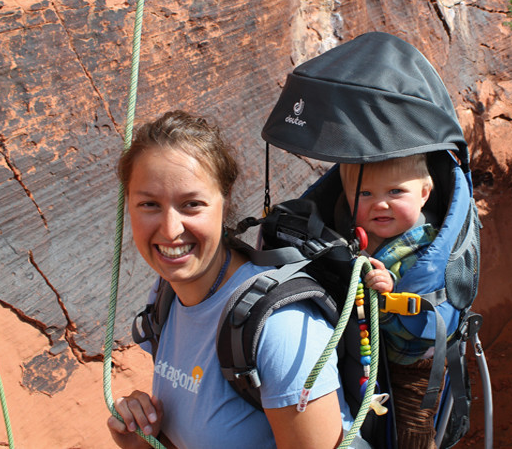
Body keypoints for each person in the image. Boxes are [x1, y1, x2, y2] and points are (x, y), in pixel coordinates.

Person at [107, 110, 358, 449]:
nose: (169, 230)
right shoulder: (166, 295)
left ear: (224, 204)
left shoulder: (280, 327)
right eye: (149, 204)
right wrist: (139, 439)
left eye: (192, 204)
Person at [339, 154, 441, 449]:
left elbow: (424, 322)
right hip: (369, 355)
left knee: (412, 432)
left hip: (412, 361)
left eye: (395, 191)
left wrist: (387, 298)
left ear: (423, 193)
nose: (380, 204)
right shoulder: (354, 238)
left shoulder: (425, 252)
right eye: (365, 193)